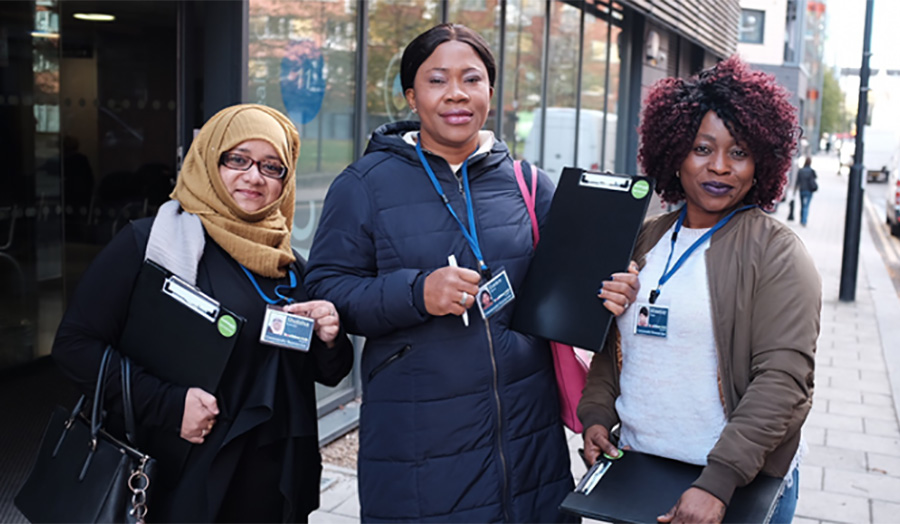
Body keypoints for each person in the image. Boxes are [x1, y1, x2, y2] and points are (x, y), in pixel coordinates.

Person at [305, 23, 636, 522]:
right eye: (437, 80)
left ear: (490, 91)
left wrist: (612, 290)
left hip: (529, 451)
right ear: (411, 96)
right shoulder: (364, 185)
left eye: (472, 79)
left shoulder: (528, 183)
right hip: (419, 453)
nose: (456, 94)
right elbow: (328, 290)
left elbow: (570, 288)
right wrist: (418, 293)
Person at [52, 104, 354, 522]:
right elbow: (73, 346)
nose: (254, 177)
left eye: (272, 167)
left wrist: (331, 336)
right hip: (179, 480)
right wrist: (168, 405)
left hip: (271, 485)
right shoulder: (150, 244)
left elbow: (325, 372)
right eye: (238, 159)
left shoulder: (288, 266)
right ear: (209, 159)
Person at [578, 56, 821, 524]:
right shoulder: (645, 236)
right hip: (639, 473)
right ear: (674, 153)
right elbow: (614, 348)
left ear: (761, 163)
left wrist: (718, 482)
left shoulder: (778, 253)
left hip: (729, 489)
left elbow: (784, 382)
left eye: (738, 153)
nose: (720, 167)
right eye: (702, 148)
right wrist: (595, 415)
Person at [795, 156, 818, 226]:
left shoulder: (801, 170)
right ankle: (804, 220)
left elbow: (797, 181)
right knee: (806, 206)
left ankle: (801, 219)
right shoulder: (812, 171)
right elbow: (815, 178)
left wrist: (794, 190)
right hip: (809, 191)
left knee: (802, 205)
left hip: (802, 190)